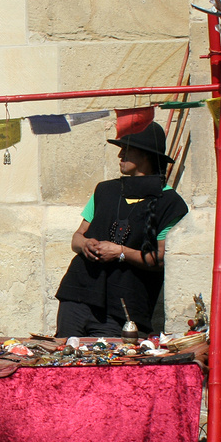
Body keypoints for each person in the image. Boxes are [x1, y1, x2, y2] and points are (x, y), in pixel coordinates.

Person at [55, 122, 189, 338]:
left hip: (122, 308)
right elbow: (77, 237)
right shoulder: (105, 190)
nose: (120, 155)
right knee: (63, 361)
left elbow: (163, 258)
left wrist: (120, 252)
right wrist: (84, 244)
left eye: (127, 149)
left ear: (145, 155)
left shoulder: (170, 203)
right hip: (78, 295)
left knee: (109, 367)